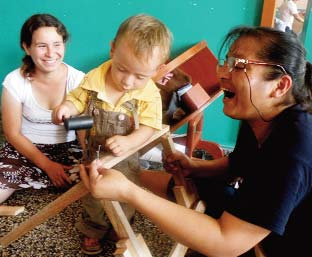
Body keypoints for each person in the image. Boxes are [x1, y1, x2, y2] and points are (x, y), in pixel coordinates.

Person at [79, 26, 312, 257]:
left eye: (239, 65)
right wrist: (196, 166)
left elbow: (226, 243)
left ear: (280, 86)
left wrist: (129, 192)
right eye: (227, 61)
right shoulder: (263, 116)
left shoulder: (291, 154)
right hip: (260, 225)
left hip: (278, 246)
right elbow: (241, 163)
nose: (222, 73)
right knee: (196, 186)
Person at [52, 14, 172, 255]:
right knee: (93, 194)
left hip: (125, 158)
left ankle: (123, 228)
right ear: (112, 49)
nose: (128, 81)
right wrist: (66, 108)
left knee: (126, 195)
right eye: (122, 69)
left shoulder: (149, 94)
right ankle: (93, 228)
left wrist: (130, 141)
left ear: (157, 70)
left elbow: (149, 128)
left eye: (140, 76)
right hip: (94, 152)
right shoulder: (94, 78)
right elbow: (78, 99)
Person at [0, 13, 85, 208]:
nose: (50, 53)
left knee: (99, 182)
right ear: (26, 47)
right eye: (41, 46)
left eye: (57, 44)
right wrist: (47, 165)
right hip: (26, 149)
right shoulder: (14, 81)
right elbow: (12, 133)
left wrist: (88, 159)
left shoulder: (79, 80)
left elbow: (83, 128)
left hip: (71, 148)